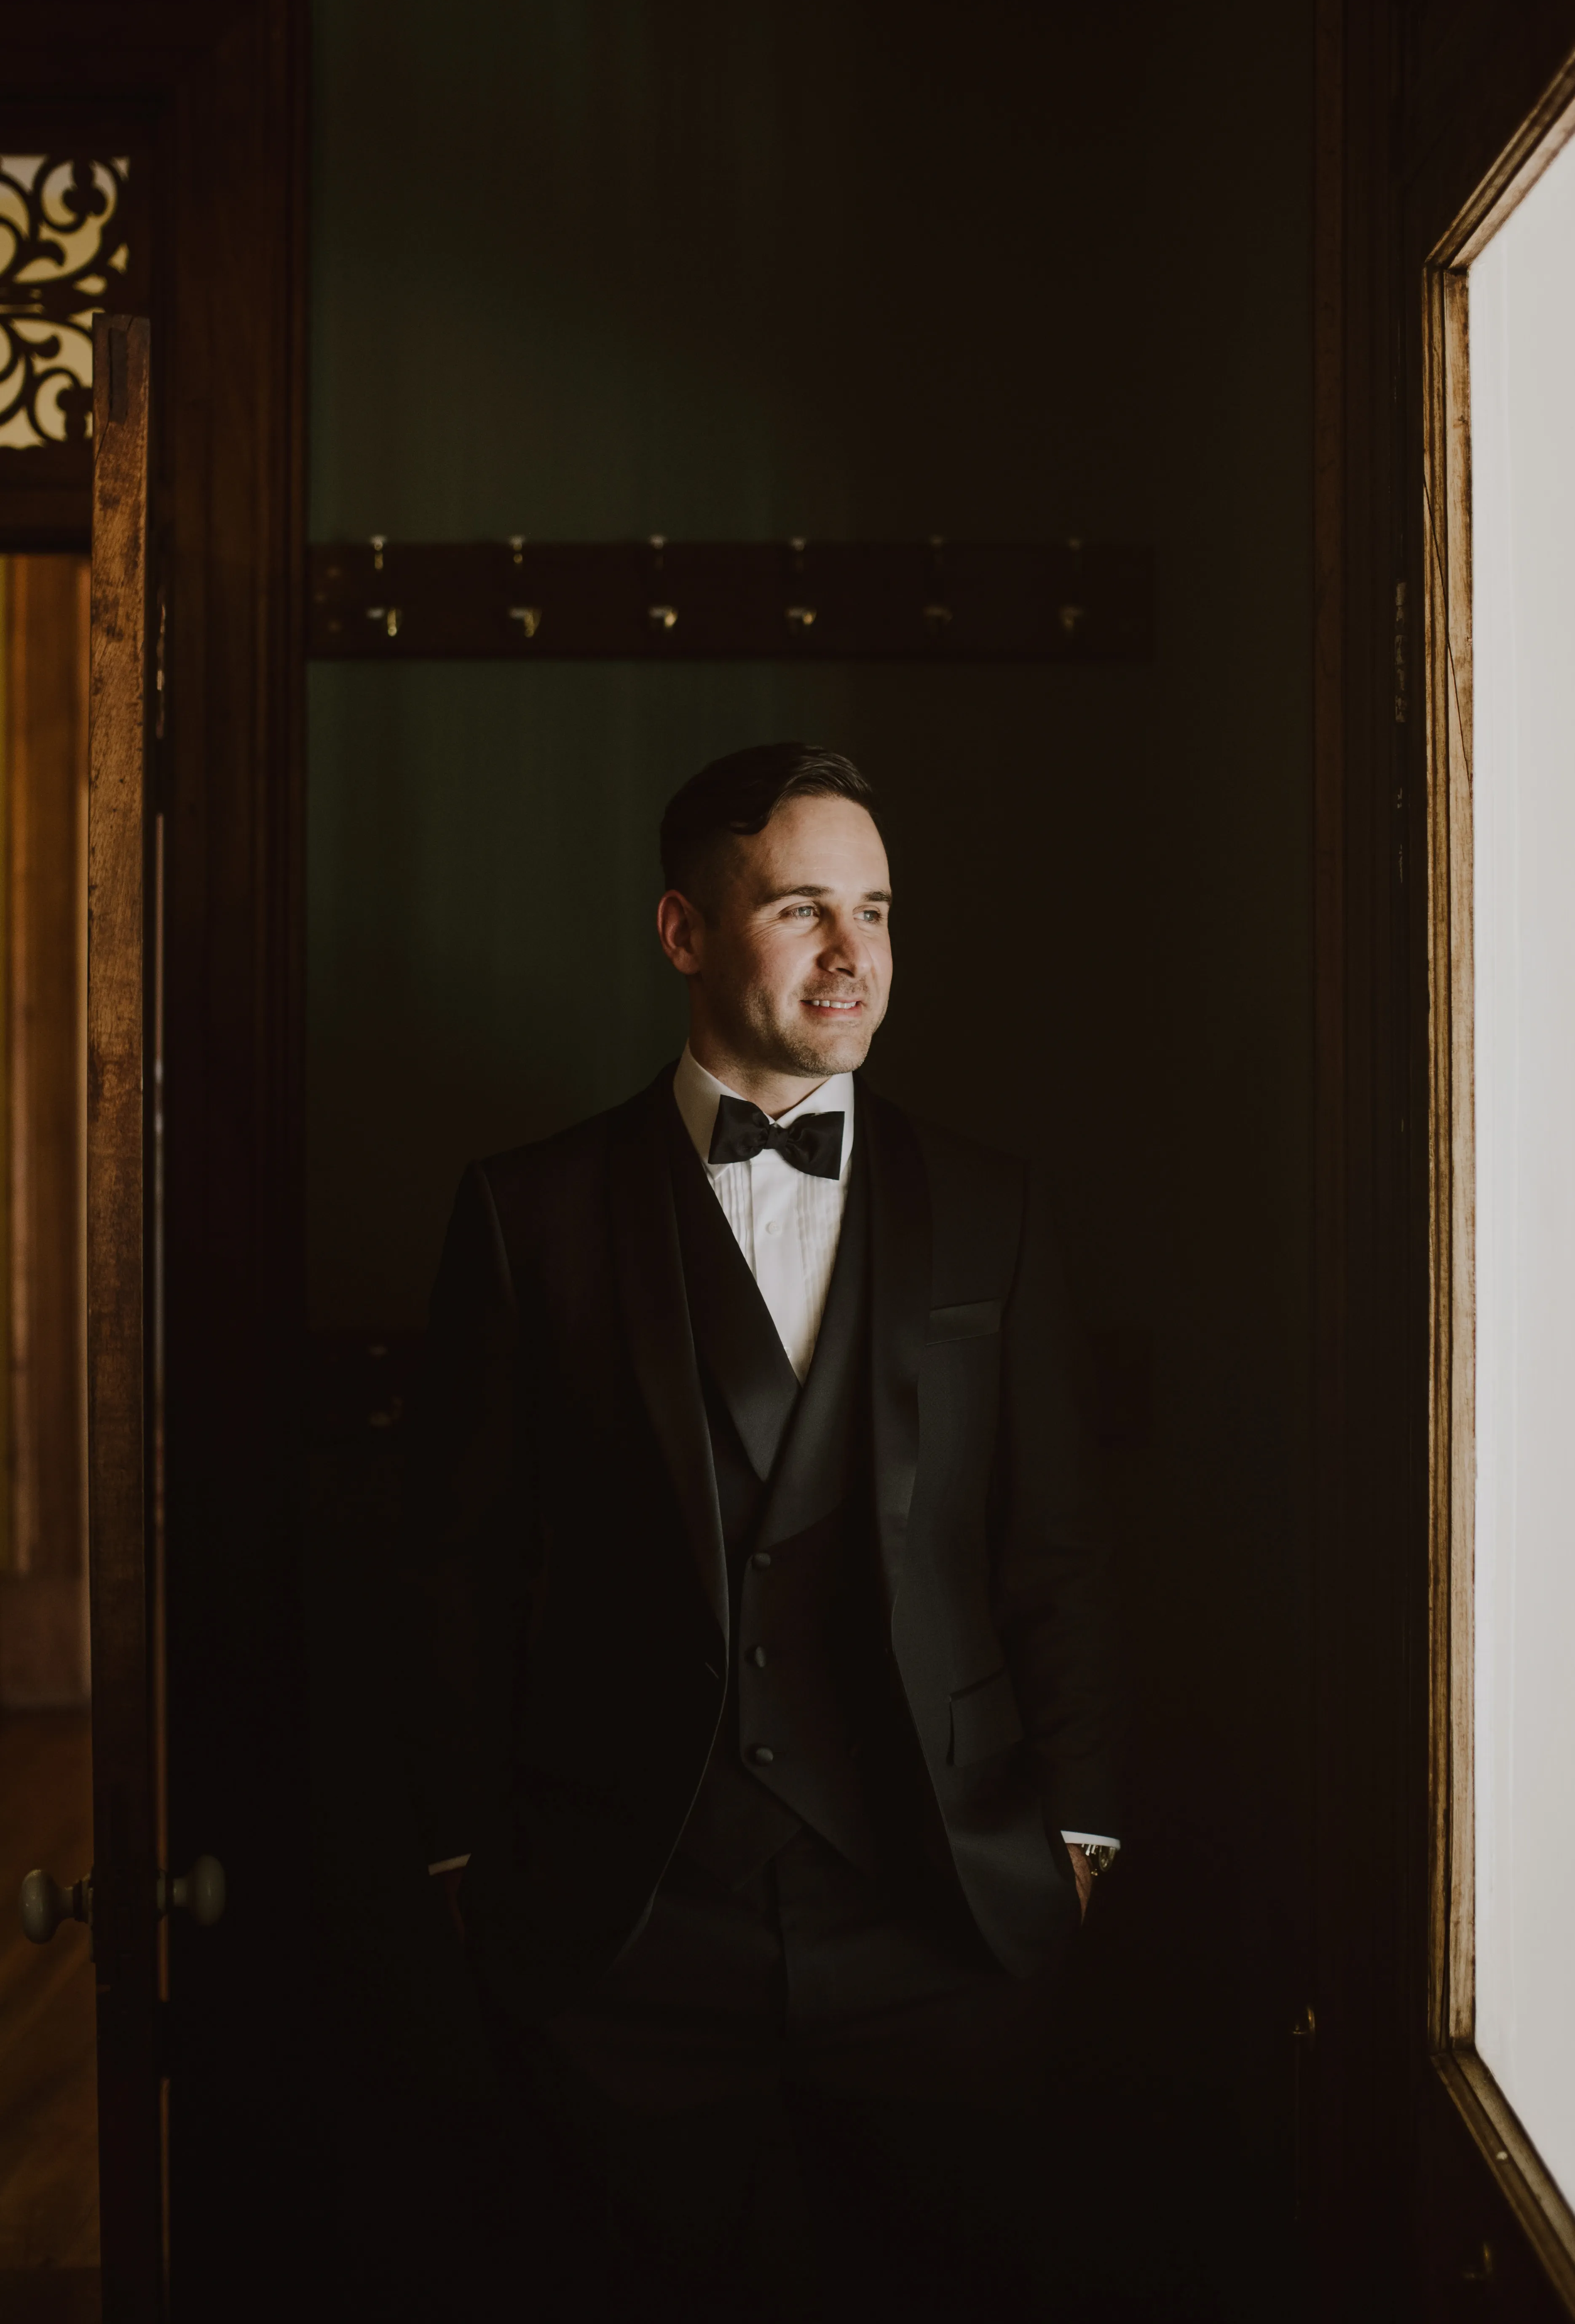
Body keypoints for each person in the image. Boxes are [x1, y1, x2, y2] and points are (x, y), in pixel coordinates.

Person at [404, 741, 1120, 2320]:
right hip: (628, 1919)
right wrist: (469, 1851)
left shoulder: (996, 1208)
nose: (855, 954)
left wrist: (1075, 1834)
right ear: (683, 933)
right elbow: (460, 1560)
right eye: (804, 909)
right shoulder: (528, 1212)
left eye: (874, 909)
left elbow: (1051, 1541)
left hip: (945, 1904)